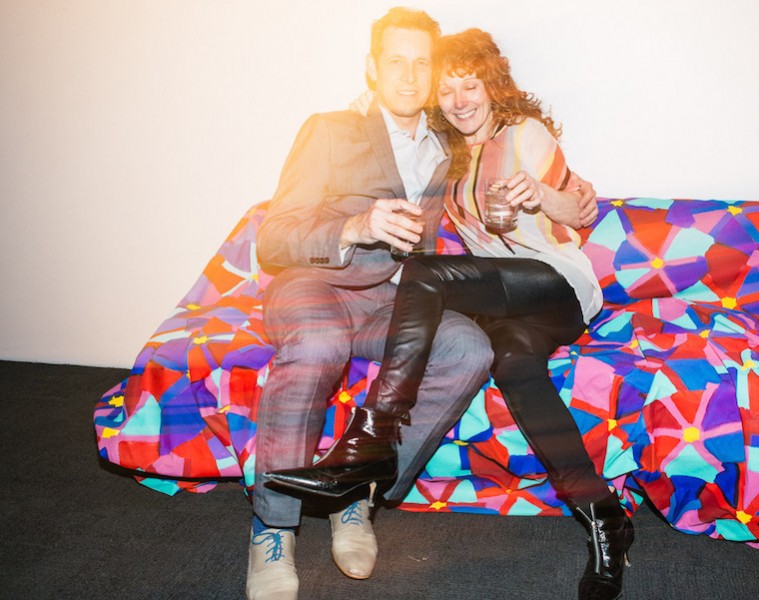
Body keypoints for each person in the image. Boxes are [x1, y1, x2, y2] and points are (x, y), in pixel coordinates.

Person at [267, 29, 631, 600]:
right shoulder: (448, 155)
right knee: (510, 362)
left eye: (472, 86)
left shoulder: (523, 134)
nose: (461, 100)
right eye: (449, 88)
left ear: (493, 87)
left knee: (426, 273)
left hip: (557, 284)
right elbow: (389, 131)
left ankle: (370, 439)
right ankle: (605, 517)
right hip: (508, 305)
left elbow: (577, 210)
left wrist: (541, 195)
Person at [250, 8, 497, 600]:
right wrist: (355, 226)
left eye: (421, 63)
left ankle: (356, 492)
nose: (409, 76)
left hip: (393, 298)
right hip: (316, 285)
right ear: (372, 67)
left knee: (469, 347)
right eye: (396, 62)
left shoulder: (446, 142)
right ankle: (272, 528)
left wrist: (567, 193)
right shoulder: (331, 129)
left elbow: (507, 126)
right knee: (319, 342)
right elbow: (273, 238)